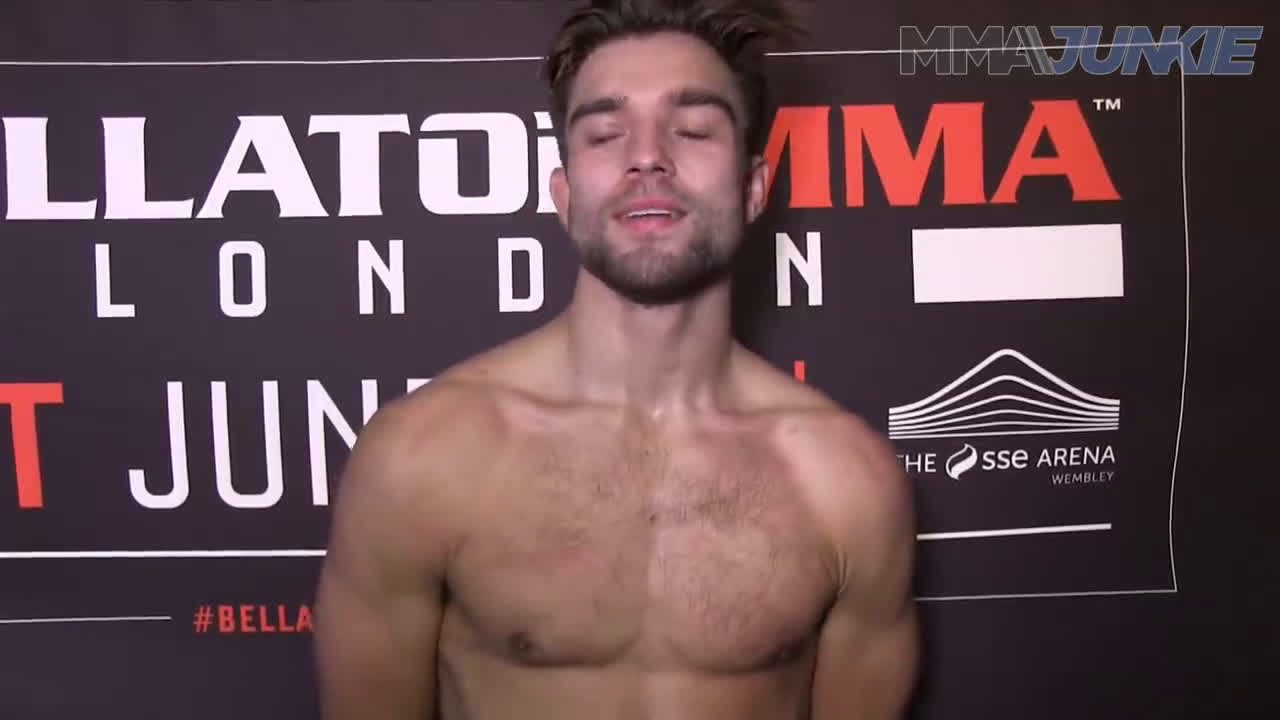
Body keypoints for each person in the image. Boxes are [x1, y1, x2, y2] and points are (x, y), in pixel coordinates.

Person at [313, 1, 920, 717]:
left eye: (693, 129)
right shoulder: (422, 457)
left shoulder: (846, 485)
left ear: (754, 188)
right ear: (564, 195)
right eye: (605, 133)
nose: (647, 155)